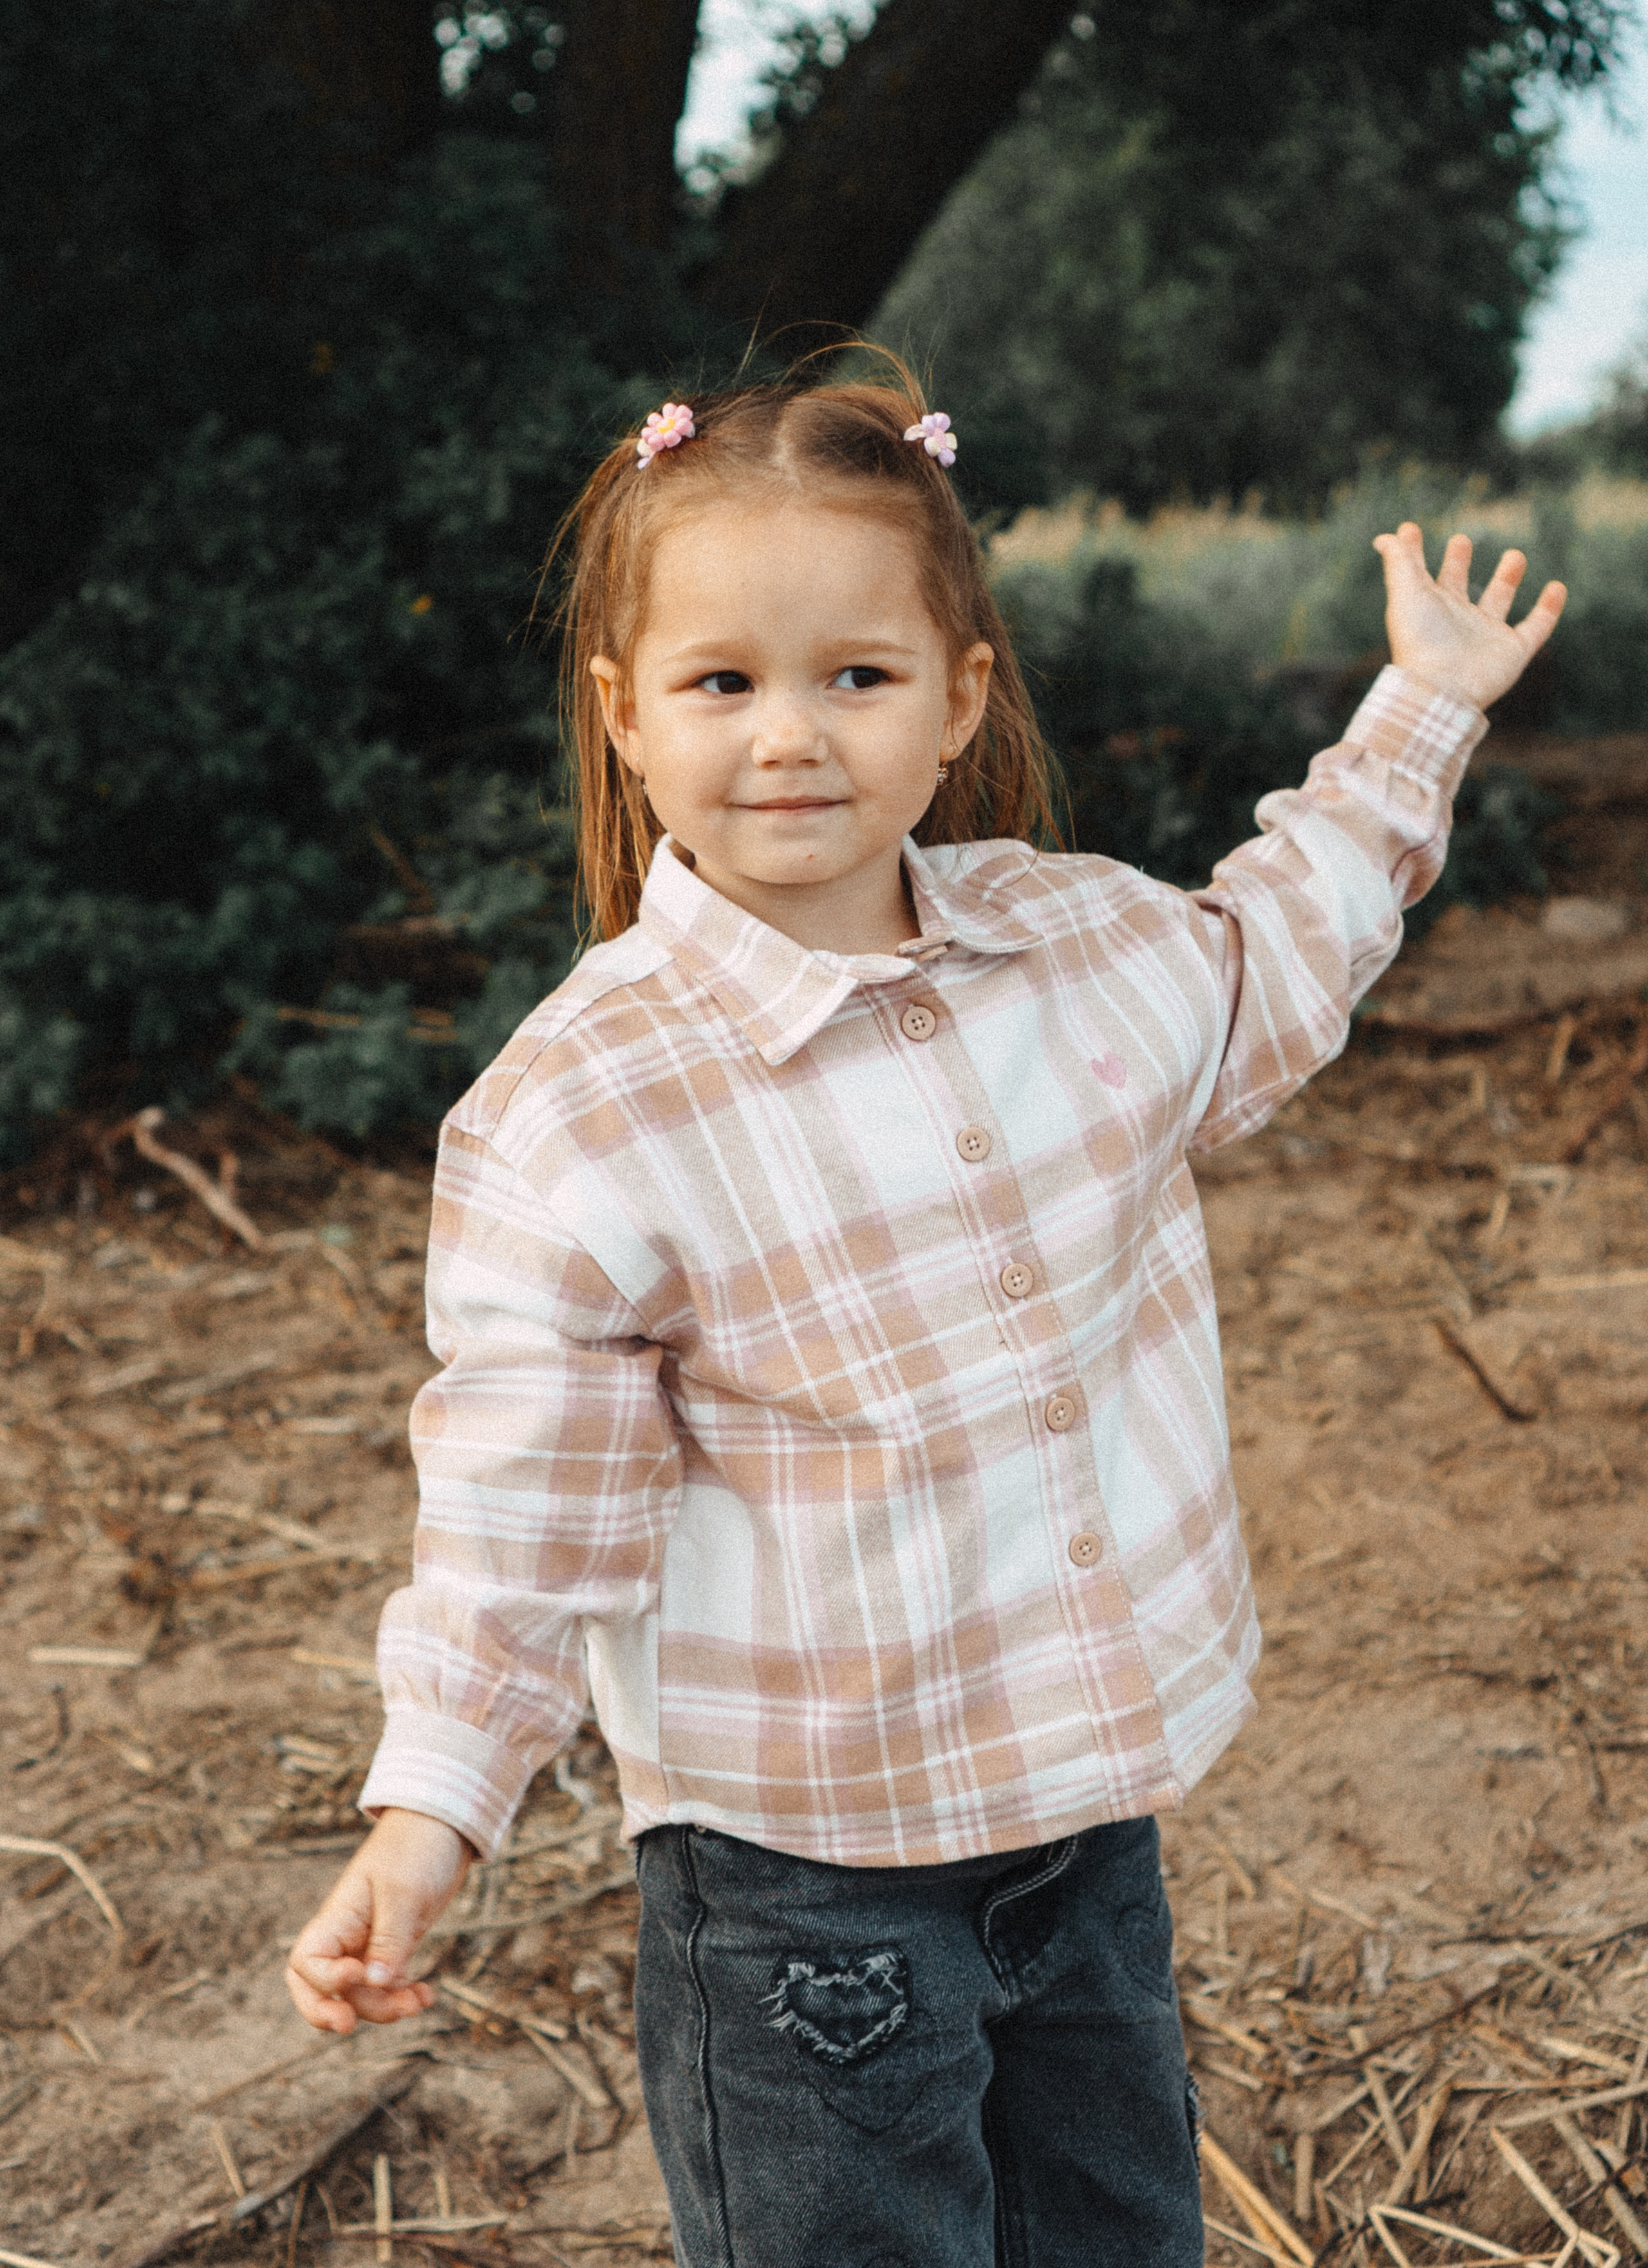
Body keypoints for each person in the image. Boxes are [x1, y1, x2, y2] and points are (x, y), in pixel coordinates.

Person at [285, 364, 1564, 2268]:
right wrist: (433, 1813)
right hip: (804, 1894)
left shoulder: (1083, 951)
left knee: (1121, 2239)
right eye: (724, 682)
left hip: (1085, 1818)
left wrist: (1421, 710)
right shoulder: (584, 1117)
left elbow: (1285, 942)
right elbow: (519, 1512)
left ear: (957, 699)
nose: (790, 737)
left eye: (856, 678)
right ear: (626, 718)